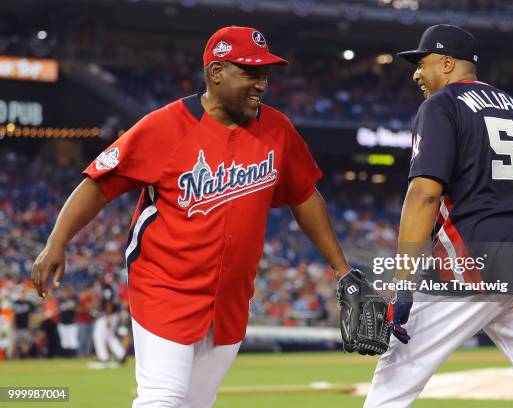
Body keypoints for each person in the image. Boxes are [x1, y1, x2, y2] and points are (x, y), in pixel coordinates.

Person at [32, 25, 351, 407]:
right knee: (162, 398)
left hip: (231, 298)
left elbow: (304, 196)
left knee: (196, 403)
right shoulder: (164, 126)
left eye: (265, 75)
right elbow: (98, 185)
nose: (261, 84)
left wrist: (342, 268)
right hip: (165, 286)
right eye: (250, 72)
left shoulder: (277, 130)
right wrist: (56, 242)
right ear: (216, 72)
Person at [364, 25, 513, 407]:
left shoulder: (443, 105)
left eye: (423, 63)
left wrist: (403, 282)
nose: (416, 74)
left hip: (475, 259)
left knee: (396, 376)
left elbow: (424, 193)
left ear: (448, 63)